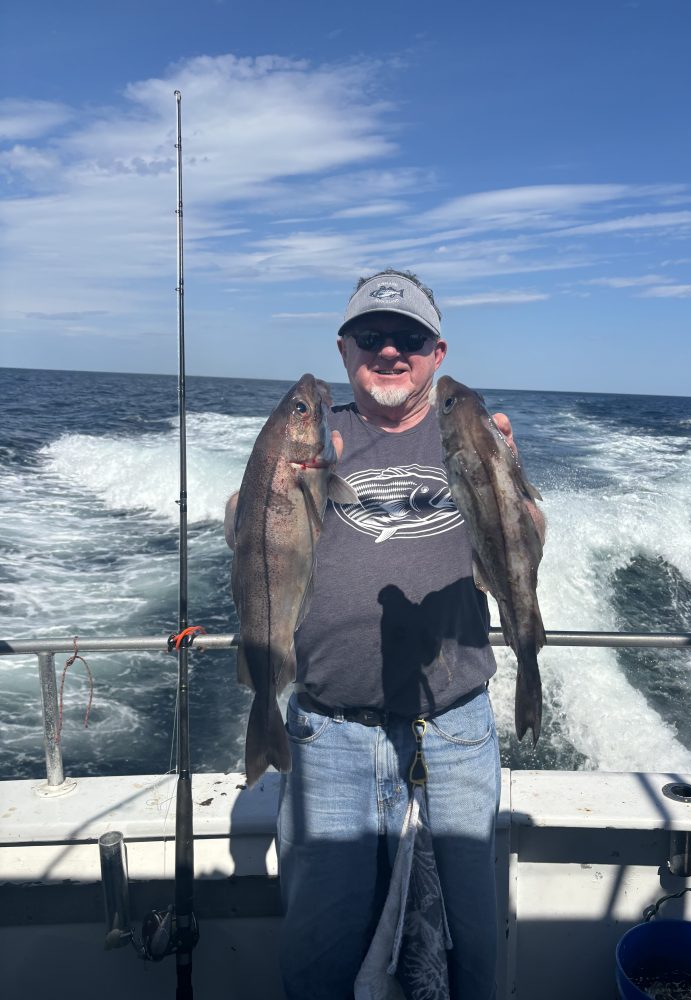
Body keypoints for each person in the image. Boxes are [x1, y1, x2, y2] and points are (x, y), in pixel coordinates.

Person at [225, 269, 545, 1000]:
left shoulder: (476, 436)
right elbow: (248, 534)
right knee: (321, 950)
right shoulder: (316, 437)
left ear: (438, 351)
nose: (391, 351)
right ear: (345, 350)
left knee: (466, 947)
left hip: (456, 733)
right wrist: (261, 490)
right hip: (326, 735)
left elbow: (527, 544)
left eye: (410, 338)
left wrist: (514, 480)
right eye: (373, 336)